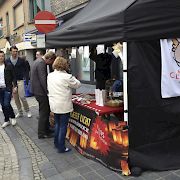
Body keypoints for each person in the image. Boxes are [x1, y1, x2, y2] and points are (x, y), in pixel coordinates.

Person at [47, 57, 81, 153]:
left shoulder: (50, 75)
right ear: (64, 65)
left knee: (57, 124)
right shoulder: (67, 76)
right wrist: (71, 76)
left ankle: (56, 143)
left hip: (54, 103)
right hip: (63, 104)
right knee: (63, 126)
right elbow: (78, 84)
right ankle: (61, 147)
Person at [30, 51, 56, 139]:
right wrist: (48, 91)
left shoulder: (37, 61)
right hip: (41, 92)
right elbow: (43, 79)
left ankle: (47, 129)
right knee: (44, 113)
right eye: (51, 62)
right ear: (49, 59)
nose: (50, 64)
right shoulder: (41, 63)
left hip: (37, 91)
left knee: (45, 111)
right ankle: (42, 133)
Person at [6, 46, 32, 118]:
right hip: (12, 82)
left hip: (20, 80)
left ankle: (27, 110)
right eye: (13, 51)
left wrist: (26, 78)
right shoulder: (7, 61)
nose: (15, 53)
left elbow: (26, 69)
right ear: (11, 52)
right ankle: (20, 112)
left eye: (16, 51)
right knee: (16, 98)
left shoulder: (21, 60)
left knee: (22, 97)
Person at [0, 51, 17, 128]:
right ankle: (7, 120)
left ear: (4, 57)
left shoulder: (9, 65)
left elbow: (14, 76)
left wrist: (15, 86)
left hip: (7, 87)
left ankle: (13, 117)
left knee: (6, 104)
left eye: (2, 56)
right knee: (3, 105)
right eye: (0, 56)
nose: (1, 58)